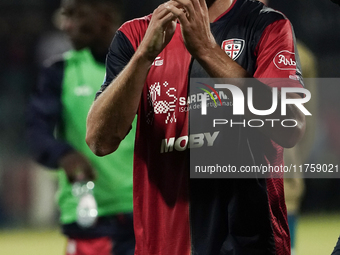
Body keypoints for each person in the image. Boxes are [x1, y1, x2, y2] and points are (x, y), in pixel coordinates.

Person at [86, 0, 306, 254]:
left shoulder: (266, 26)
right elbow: (99, 141)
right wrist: (143, 57)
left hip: (248, 244)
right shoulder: (135, 36)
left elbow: (289, 125)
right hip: (161, 246)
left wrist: (206, 50)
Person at [27, 0, 135, 254]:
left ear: (105, 16)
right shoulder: (60, 71)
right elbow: (36, 130)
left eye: (76, 15)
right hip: (92, 216)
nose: (66, 25)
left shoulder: (148, 66)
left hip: (150, 210)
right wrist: (63, 154)